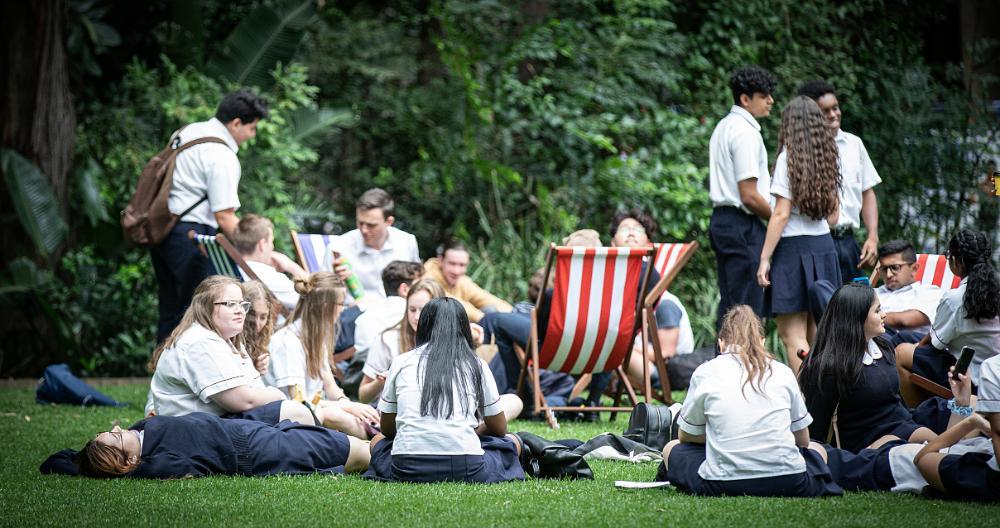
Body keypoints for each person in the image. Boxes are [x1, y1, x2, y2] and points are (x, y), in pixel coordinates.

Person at [657, 305, 842, 497]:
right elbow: (803, 441)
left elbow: (686, 436)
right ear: (762, 342)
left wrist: (718, 435)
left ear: (721, 344)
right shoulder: (783, 372)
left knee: (671, 448)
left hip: (722, 482)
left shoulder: (706, 372)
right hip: (790, 480)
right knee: (817, 449)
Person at [364, 297, 525, 483]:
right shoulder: (477, 365)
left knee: (376, 442)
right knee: (512, 442)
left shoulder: (401, 362)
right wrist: (471, 432)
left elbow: (388, 430)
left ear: (423, 326)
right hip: (468, 468)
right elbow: (499, 429)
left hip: (406, 468)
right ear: (464, 328)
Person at [151, 89, 269, 343]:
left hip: (162, 229)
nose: (252, 135)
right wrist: (252, 249)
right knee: (200, 310)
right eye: (252, 128)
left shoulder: (187, 132)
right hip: (192, 235)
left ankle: (162, 372)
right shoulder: (222, 155)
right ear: (236, 123)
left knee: (171, 307)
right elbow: (225, 216)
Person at [798, 282, 961, 453]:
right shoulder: (830, 367)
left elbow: (896, 401)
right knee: (934, 446)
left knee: (968, 408)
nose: (884, 315)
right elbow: (816, 427)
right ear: (857, 317)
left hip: (902, 424)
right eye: (877, 311)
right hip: (866, 445)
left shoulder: (883, 348)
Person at [147, 276, 312, 425]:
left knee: (299, 419)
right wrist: (279, 395)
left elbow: (254, 391)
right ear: (205, 307)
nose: (240, 310)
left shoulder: (227, 341)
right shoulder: (200, 342)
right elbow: (244, 401)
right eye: (230, 304)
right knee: (296, 414)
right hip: (196, 431)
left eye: (242, 304)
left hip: (217, 423)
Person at [757, 95, 843, 373]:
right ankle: (823, 403)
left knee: (791, 335)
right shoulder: (828, 158)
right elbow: (834, 216)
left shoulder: (787, 159)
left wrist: (764, 259)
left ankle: (806, 404)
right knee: (817, 336)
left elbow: (781, 213)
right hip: (823, 247)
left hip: (793, 251)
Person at [49, 410, 369, 478]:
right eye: (116, 435)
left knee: (355, 443)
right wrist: (124, 470)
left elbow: (57, 459)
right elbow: (182, 470)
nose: (118, 426)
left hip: (249, 428)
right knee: (358, 452)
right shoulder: (159, 462)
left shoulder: (142, 438)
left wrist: (78, 461)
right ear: (127, 461)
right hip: (259, 449)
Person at [263, 272, 380, 439]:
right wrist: (347, 408)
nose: (343, 309)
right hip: (288, 421)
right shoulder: (287, 343)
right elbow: (299, 401)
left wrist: (347, 404)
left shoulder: (316, 337)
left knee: (349, 411)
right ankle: (375, 440)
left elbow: (330, 386)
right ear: (326, 307)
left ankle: (374, 433)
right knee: (334, 413)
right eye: (341, 304)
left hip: (313, 410)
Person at [896, 229, 1000, 405]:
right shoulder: (994, 288)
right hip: (992, 369)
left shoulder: (955, 298)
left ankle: (918, 414)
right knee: (903, 337)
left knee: (901, 353)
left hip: (969, 378)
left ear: (956, 261)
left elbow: (934, 344)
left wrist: (915, 347)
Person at [708, 66, 776, 330]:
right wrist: (780, 219)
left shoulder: (724, 126)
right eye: (764, 95)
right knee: (746, 310)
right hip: (741, 225)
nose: (771, 100)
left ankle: (725, 365)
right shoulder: (746, 131)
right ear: (745, 99)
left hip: (723, 221)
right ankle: (742, 368)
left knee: (730, 306)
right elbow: (749, 195)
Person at [798, 80, 881, 282]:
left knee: (856, 307)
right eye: (825, 111)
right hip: (817, 240)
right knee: (824, 308)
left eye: (835, 108)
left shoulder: (854, 144)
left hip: (848, 241)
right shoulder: (801, 150)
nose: (834, 115)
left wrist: (872, 236)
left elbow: (867, 191)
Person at [913, 355, 999, 501]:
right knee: (972, 401)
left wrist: (971, 422)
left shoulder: (993, 367)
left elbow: (921, 458)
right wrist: (962, 403)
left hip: (894, 457)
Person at [357, 278, 446, 404]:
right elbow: (363, 396)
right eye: (412, 309)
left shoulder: (451, 341)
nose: (416, 317)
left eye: (424, 310)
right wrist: (381, 382)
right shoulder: (388, 340)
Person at [322, 188, 420, 300]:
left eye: (371, 225)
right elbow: (322, 293)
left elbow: (417, 284)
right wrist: (336, 282)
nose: (364, 230)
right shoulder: (338, 248)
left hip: (399, 311)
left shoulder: (407, 242)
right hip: (354, 312)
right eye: (360, 223)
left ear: (389, 222)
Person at [423, 239, 513, 323]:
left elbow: (486, 298)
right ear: (440, 261)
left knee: (491, 310)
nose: (456, 271)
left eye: (462, 265)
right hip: (434, 332)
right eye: (452, 264)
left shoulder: (462, 281)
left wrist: (514, 314)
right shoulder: (427, 278)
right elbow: (451, 303)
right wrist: (486, 321)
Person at [232, 214, 308, 312]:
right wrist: (291, 266)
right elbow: (314, 298)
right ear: (262, 244)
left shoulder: (230, 269)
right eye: (271, 242)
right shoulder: (269, 276)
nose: (272, 247)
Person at [873, 240, 944, 342]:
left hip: (904, 346)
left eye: (895, 267)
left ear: (914, 268)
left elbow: (907, 321)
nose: (888, 274)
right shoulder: (874, 292)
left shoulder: (929, 292)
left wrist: (867, 316)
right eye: (884, 269)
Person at [241, 280, 276, 375]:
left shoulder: (265, 341)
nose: (257, 323)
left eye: (263, 317)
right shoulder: (228, 340)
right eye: (251, 314)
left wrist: (258, 369)